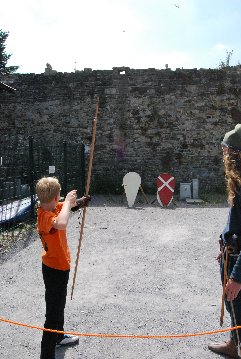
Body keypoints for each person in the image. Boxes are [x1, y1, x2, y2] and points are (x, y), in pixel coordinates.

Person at [36, 176, 90, 359]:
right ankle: (47, 355)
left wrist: (80, 202)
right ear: (55, 197)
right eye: (59, 198)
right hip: (54, 270)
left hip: (58, 267)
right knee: (53, 313)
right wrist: (67, 202)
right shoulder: (45, 216)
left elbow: (65, 209)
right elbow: (62, 222)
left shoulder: (50, 207)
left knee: (59, 305)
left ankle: (59, 336)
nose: (60, 202)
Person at [208, 124, 241, 359]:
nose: (225, 156)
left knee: (238, 305)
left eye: (229, 151)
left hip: (239, 259)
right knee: (234, 308)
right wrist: (225, 244)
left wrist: (237, 276)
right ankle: (234, 343)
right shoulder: (238, 183)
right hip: (232, 253)